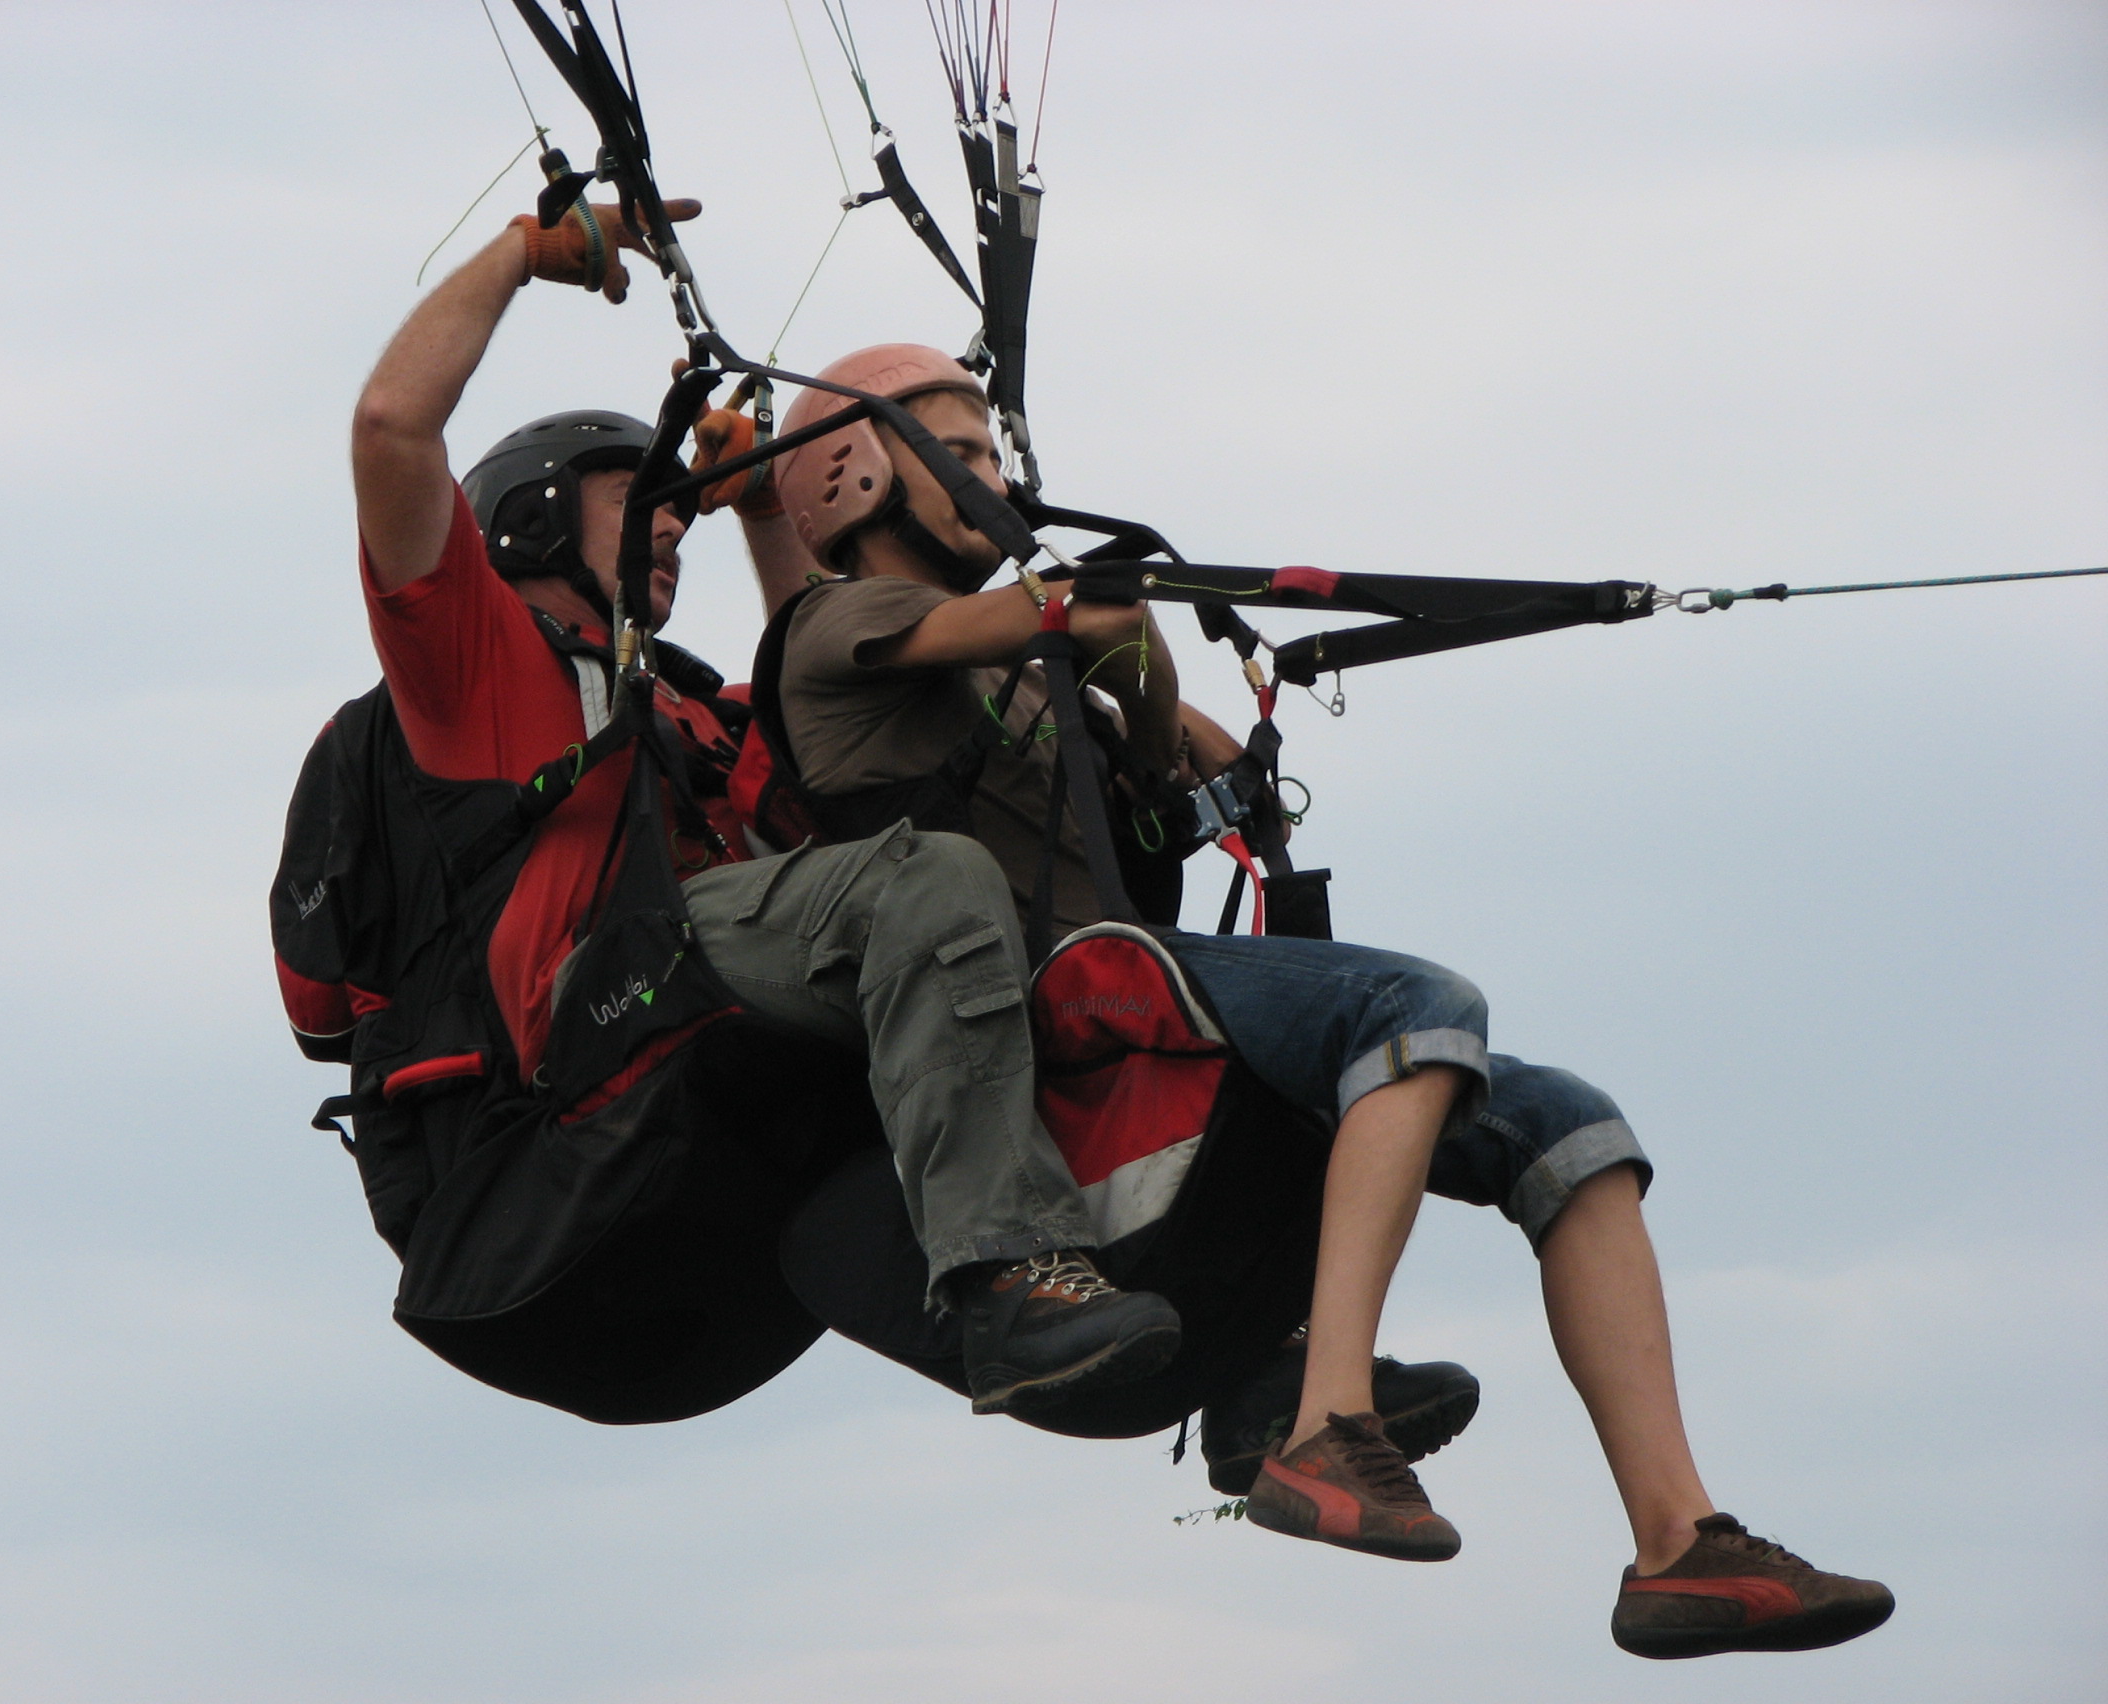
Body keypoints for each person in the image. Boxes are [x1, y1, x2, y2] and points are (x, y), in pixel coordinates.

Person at [761, 342, 1895, 1660]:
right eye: (957, 453)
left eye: (991, 455)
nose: (995, 483)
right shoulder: (832, 628)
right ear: (852, 477)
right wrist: (1103, 629)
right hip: (1043, 1004)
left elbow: (1176, 737)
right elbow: (1038, 620)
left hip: (1135, 989)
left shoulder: (1025, 677)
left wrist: (1157, 695)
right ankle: (1323, 1416)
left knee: (1566, 1125)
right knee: (1412, 1006)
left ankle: (1677, 1544)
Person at [344, 203, 1183, 1418]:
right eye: (634, 498)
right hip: (599, 1014)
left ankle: (1231, 1342)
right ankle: (1009, 1274)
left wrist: (759, 511)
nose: (667, 524)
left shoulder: (683, 709)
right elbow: (389, 427)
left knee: (1027, 939)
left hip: (707, 988)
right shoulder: (478, 671)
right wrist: (523, 253)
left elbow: (824, 716)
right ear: (531, 518)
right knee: (927, 878)